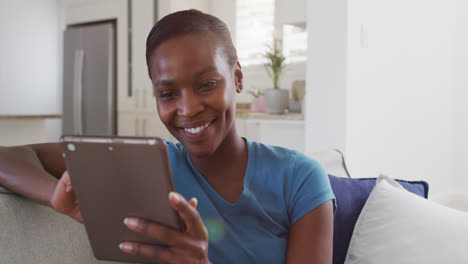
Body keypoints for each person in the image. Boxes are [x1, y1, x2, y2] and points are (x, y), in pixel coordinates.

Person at [0, 9, 335, 264]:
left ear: (236, 78)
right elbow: (8, 155)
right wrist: (53, 194)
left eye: (207, 84)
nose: (187, 109)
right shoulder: (144, 166)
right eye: (168, 93)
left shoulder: (300, 178)